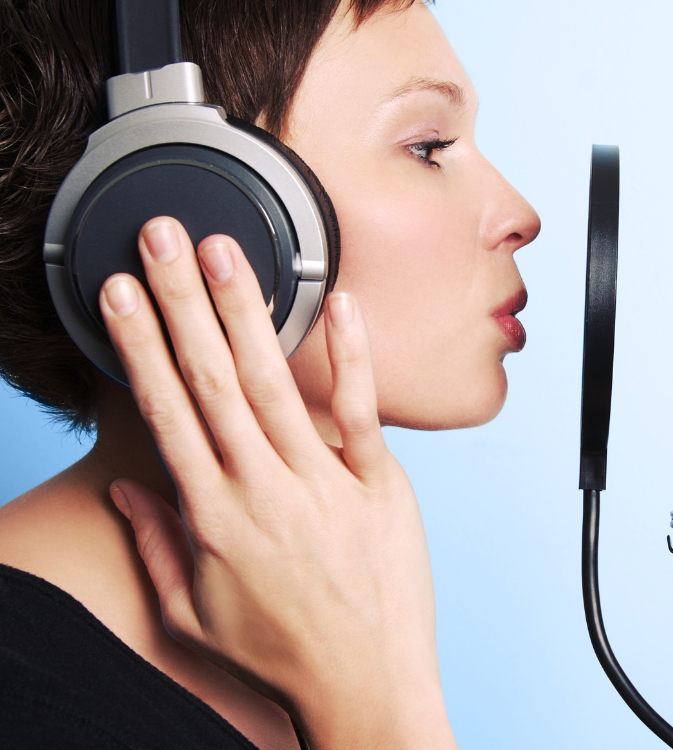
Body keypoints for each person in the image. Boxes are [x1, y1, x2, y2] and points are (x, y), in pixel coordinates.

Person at [0, 1, 540, 748]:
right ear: (178, 201)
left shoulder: (344, 605)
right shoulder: (26, 701)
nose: (520, 214)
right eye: (428, 146)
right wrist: (379, 707)